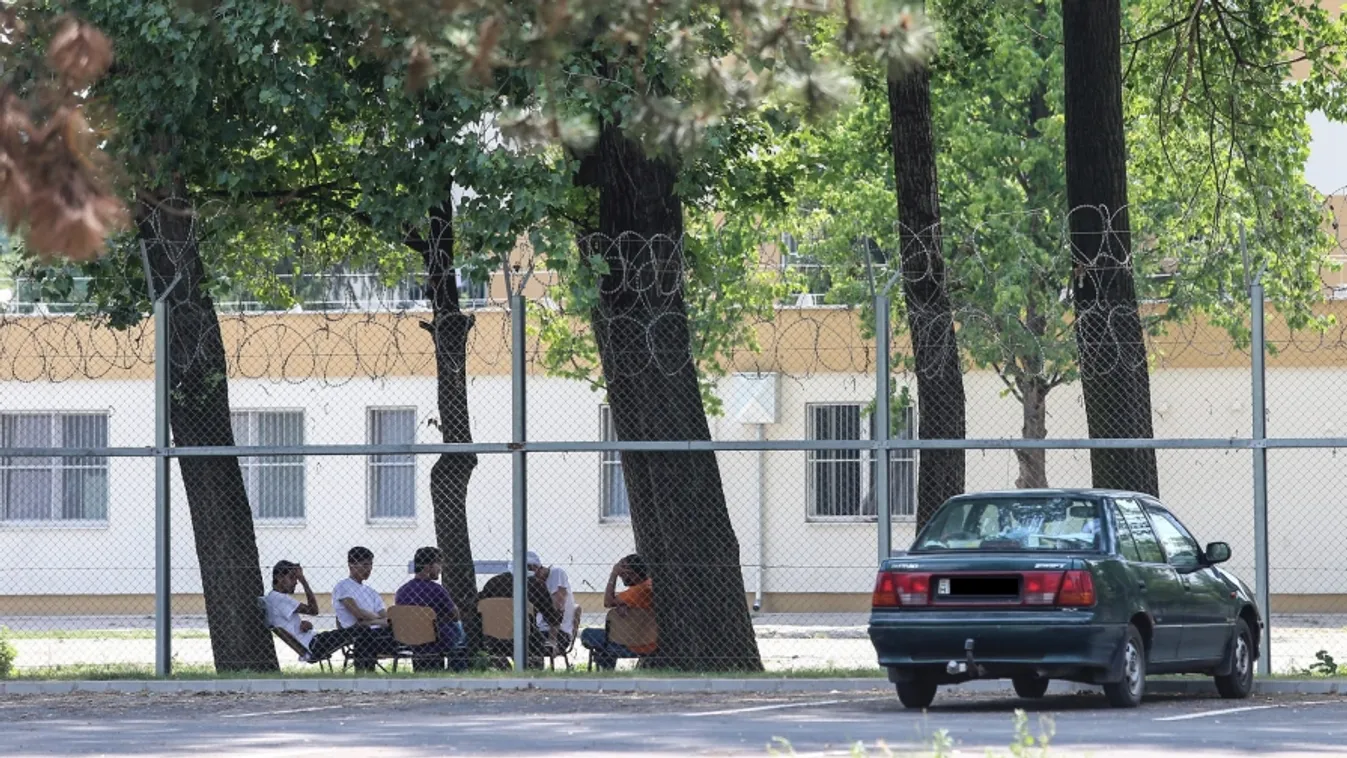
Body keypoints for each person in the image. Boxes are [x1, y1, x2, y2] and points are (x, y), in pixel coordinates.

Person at [264, 560, 356, 664]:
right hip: (315, 644)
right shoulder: (279, 598)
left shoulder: (273, 598)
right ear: (279, 577)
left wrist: (303, 624)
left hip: (315, 641)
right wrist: (303, 581)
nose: (295, 582)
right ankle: (365, 667)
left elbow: (290, 624)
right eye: (292, 577)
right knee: (359, 631)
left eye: (297, 578)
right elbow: (314, 610)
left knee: (357, 632)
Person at [478, 555, 562, 666]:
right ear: (533, 567)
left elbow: (479, 605)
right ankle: (532, 668)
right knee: (536, 639)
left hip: (493, 639)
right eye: (539, 569)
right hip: (526, 640)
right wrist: (553, 640)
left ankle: (499, 664)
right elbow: (552, 617)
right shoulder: (535, 585)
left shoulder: (493, 582)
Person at [580, 554, 656, 670]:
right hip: (650, 641)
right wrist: (622, 605)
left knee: (587, 633)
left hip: (631, 643)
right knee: (608, 637)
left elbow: (608, 602)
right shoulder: (649, 585)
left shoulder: (636, 591)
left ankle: (605, 666)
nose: (621, 577)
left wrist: (613, 575)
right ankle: (605, 661)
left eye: (622, 574)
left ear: (631, 573)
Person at [394, 546, 465, 669]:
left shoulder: (402, 591)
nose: (440, 569)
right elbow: (455, 614)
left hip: (408, 639)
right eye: (438, 564)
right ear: (427, 566)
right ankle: (458, 670)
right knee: (460, 632)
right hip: (435, 639)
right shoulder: (437, 590)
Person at [331, 546, 399, 671]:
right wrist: (378, 619)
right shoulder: (343, 587)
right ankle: (365, 672)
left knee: (401, 628)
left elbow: (388, 618)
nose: (369, 569)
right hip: (356, 633)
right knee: (365, 631)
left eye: (370, 565)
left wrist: (372, 621)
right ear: (351, 565)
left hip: (378, 632)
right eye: (365, 565)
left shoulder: (371, 592)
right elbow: (358, 613)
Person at [527, 551, 576, 656]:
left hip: (559, 633)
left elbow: (557, 607)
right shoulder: (534, 583)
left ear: (535, 568)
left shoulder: (556, 573)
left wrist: (540, 588)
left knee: (528, 643)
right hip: (540, 630)